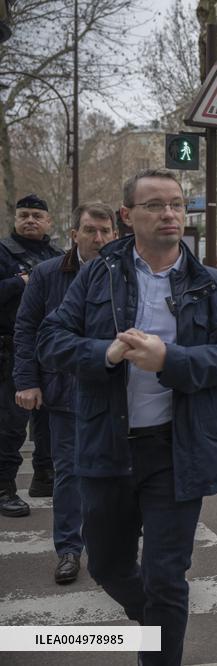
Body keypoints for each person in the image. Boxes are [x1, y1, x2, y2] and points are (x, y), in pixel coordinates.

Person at [37, 169, 217, 666]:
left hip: (176, 449)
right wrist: (106, 353)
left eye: (177, 204)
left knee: (166, 576)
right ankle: (159, 626)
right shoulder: (98, 274)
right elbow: (51, 339)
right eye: (155, 205)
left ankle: (161, 641)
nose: (169, 214)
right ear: (127, 215)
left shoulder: (213, 285)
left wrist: (170, 360)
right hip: (106, 444)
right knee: (109, 567)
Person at [13, 202, 116, 583]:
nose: (98, 238)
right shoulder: (46, 274)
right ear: (74, 234)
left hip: (113, 391)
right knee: (69, 474)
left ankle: (107, 546)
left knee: (112, 472)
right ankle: (69, 550)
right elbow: (27, 329)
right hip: (64, 390)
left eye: (105, 231)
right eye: (90, 230)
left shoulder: (124, 272)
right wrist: (26, 381)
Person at [0, 194, 62, 518]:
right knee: (11, 423)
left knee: (48, 420)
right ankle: (4, 487)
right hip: (11, 348)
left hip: (49, 350)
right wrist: (18, 282)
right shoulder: (3, 252)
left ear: (48, 221)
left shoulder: (57, 255)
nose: (30, 221)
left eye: (37, 216)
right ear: (15, 218)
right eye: (24, 215)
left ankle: (44, 476)